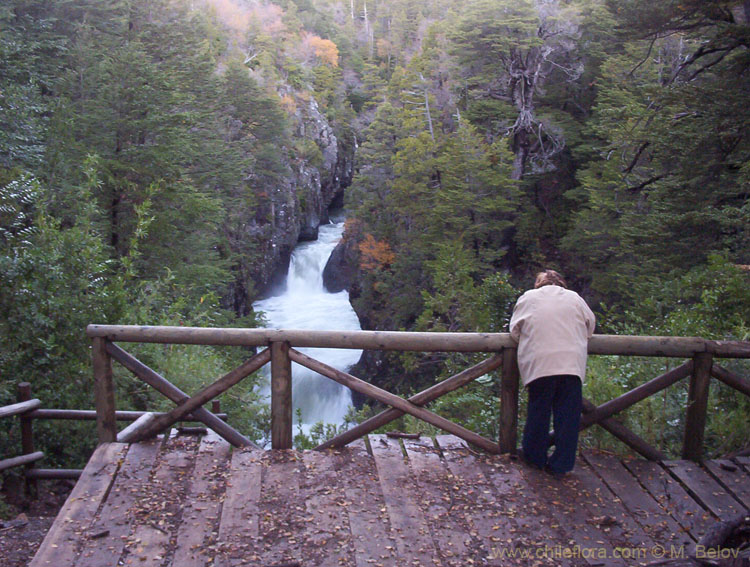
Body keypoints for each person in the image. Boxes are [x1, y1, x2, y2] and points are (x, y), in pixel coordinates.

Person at [509, 269, 595, 476]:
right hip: (571, 363)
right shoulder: (575, 298)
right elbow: (590, 326)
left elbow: (514, 331)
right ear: (561, 283)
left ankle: (534, 457)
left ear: (539, 283)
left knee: (539, 412)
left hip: (541, 363)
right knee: (568, 417)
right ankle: (561, 465)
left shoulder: (528, 298)